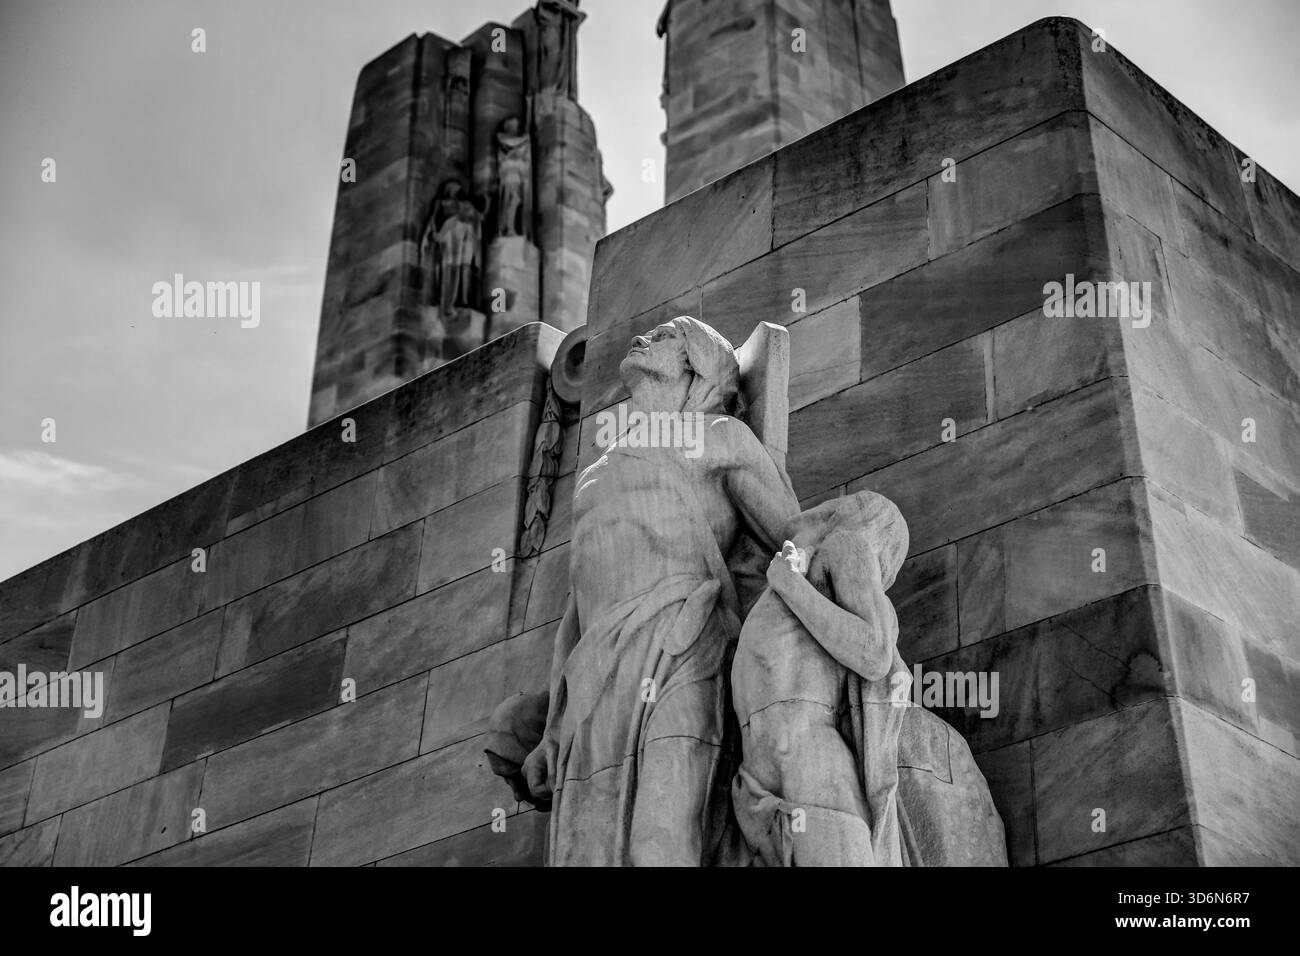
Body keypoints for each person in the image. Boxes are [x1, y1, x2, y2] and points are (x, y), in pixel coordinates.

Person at [522, 316, 798, 865]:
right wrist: (552, 729)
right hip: (596, 678)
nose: (646, 338)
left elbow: (796, 544)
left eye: (670, 337)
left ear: (698, 371)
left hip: (685, 646)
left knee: (662, 841)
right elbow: (577, 611)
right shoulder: (594, 473)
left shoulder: (721, 438)